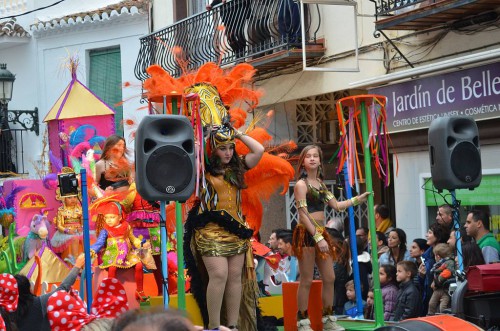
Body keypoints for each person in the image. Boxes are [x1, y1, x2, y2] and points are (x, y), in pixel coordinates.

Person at [184, 123, 264, 331]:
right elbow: (190, 158)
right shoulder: (203, 169)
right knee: (219, 274)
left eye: (231, 147)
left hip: (236, 229)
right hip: (209, 228)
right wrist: (201, 139)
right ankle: (214, 326)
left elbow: (259, 150)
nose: (228, 152)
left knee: (234, 278)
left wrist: (237, 133)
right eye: (222, 148)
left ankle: (233, 325)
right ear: (213, 148)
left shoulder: (238, 168)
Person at [292, 144, 370, 331]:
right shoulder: (301, 185)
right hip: (306, 233)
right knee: (307, 279)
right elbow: (302, 214)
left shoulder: (321, 184)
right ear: (303, 161)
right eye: (308, 156)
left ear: (320, 160)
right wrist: (317, 237)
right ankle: (302, 321)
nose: (312, 159)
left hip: (321, 232)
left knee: (330, 277)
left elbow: (337, 205)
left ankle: (328, 318)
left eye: (315, 156)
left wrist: (358, 199)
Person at [90, 199, 151, 303]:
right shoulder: (105, 230)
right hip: (113, 254)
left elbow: (133, 239)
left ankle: (140, 290)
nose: (109, 220)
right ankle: (112, 292)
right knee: (113, 268)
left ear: (120, 216)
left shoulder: (126, 227)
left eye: (112, 217)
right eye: (106, 217)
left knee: (139, 265)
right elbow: (100, 242)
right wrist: (92, 250)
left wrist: (140, 243)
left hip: (127, 254)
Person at [10, 253, 85, 331]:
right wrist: (77, 266)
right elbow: (63, 288)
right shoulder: (38, 303)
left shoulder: (7, 313)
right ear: (27, 290)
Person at [418, 222, 450, 316]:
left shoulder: (445, 257)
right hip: (428, 298)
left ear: (438, 237)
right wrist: (421, 276)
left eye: (430, 232)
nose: (426, 235)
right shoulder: (427, 256)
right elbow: (425, 283)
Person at [50, 187, 83, 265]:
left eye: (75, 197)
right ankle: (75, 262)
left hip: (78, 231)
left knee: (87, 238)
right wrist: (67, 230)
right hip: (66, 233)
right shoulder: (61, 211)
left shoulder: (80, 209)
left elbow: (82, 222)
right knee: (75, 238)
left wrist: (81, 227)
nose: (73, 199)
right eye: (69, 198)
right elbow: (59, 225)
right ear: (64, 199)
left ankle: (87, 261)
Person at [428, 243, 455, 315]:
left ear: (438, 256)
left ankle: (444, 318)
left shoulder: (449, 263)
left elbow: (447, 273)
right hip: (438, 288)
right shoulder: (439, 264)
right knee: (431, 303)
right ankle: (430, 316)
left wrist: (437, 281)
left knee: (443, 307)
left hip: (446, 289)